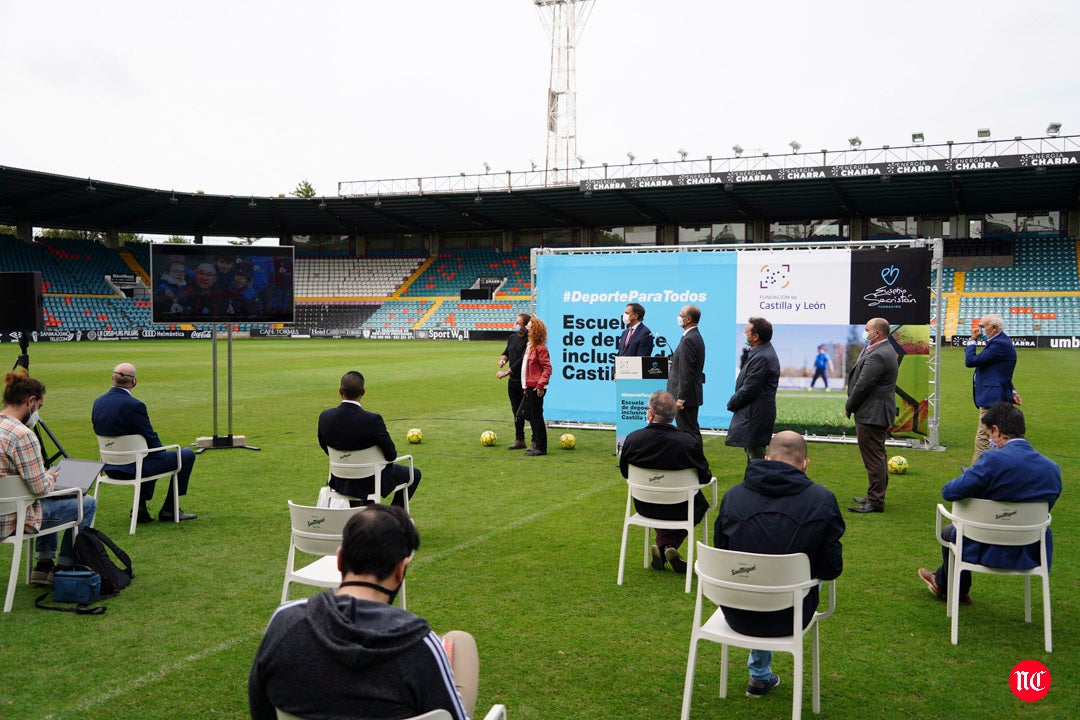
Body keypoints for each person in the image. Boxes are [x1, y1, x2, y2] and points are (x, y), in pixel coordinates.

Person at [248, 505, 477, 720]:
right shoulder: (420, 645)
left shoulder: (285, 622)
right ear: (400, 570)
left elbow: (261, 709)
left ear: (339, 560)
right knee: (460, 641)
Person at [713, 431, 845, 698]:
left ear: (767, 458)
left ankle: (759, 676)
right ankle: (759, 674)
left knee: (761, 576)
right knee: (784, 579)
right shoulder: (822, 500)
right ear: (805, 464)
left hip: (737, 610)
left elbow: (721, 555)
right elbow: (831, 569)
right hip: (791, 615)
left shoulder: (733, 496)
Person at [918, 403, 1060, 605]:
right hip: (1032, 550)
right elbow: (1045, 510)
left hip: (985, 546)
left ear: (997, 430)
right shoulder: (1052, 469)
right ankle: (948, 585)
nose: (990, 441)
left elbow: (949, 492)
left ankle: (953, 587)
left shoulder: (992, 460)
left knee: (950, 531)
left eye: (989, 435)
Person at [1, 371, 97, 585]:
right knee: (86, 503)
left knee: (44, 501)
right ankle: (65, 566)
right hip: (13, 519)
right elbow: (40, 488)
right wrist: (50, 477)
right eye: (39, 407)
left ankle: (43, 564)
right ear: (31, 401)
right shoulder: (22, 434)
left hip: (8, 508)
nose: (37, 413)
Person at [92, 363, 197, 523]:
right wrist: (161, 454)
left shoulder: (98, 402)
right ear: (133, 382)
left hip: (109, 466)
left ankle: (140, 508)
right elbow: (151, 438)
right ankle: (170, 509)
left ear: (112, 378)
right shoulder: (134, 405)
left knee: (146, 455)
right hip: (133, 468)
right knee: (186, 455)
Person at [619, 390, 711, 573]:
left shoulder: (633, 439)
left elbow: (625, 472)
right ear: (673, 415)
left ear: (651, 414)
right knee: (700, 504)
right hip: (680, 506)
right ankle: (668, 545)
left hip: (644, 504)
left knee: (681, 502)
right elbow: (705, 477)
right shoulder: (688, 443)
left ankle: (664, 545)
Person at [318, 371, 421, 507]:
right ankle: (393, 518)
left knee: (362, 478)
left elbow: (324, 446)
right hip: (371, 480)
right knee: (414, 474)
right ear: (363, 392)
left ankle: (362, 514)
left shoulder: (325, 416)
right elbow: (391, 455)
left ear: (340, 391)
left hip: (340, 479)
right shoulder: (373, 420)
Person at [845, 318, 898, 514]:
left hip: (872, 412)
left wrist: (850, 405)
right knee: (877, 455)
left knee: (874, 457)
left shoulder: (879, 354)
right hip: (873, 410)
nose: (864, 332)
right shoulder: (877, 349)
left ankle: (875, 501)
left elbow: (863, 385)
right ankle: (873, 496)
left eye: (867, 329)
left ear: (877, 333)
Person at [965, 313, 1022, 466]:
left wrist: (972, 341)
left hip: (992, 399)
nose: (980, 329)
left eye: (983, 327)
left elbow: (971, 361)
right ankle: (997, 471)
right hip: (996, 395)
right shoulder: (999, 342)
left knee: (983, 439)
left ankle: (977, 475)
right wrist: (1013, 390)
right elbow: (1000, 372)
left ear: (994, 328)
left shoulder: (999, 344)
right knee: (996, 438)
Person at [725, 317, 780, 464]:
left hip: (755, 415)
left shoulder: (762, 356)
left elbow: (749, 389)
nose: (744, 334)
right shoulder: (761, 352)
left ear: (755, 337)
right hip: (754, 414)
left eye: (746, 332)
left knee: (756, 460)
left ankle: (759, 485)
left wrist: (732, 403)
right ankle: (753, 485)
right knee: (753, 459)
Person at [667, 305, 706, 446]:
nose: (678, 317)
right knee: (687, 430)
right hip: (687, 395)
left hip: (685, 398)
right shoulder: (692, 336)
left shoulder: (690, 339)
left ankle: (696, 461)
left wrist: (681, 398)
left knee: (688, 431)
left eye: (680, 315)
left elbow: (686, 372)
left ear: (688, 319)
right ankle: (694, 460)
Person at [496, 312, 531, 450]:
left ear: (525, 325)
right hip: (513, 382)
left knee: (527, 412)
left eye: (518, 323)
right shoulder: (512, 338)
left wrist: (505, 372)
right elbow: (506, 352)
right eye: (516, 322)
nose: (515, 325)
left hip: (525, 381)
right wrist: (503, 359)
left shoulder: (529, 341)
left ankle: (535, 440)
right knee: (515, 411)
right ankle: (520, 440)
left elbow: (522, 361)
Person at [519, 317, 552, 457]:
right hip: (529, 385)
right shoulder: (530, 347)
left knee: (536, 416)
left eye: (530, 326)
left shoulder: (540, 348)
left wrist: (540, 384)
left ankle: (541, 447)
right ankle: (537, 444)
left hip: (536, 386)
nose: (527, 328)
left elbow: (547, 368)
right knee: (531, 415)